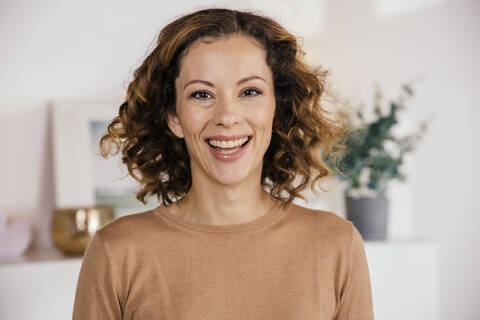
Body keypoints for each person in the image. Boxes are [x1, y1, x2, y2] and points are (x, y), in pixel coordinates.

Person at [72, 8, 374, 320]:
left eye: (250, 92)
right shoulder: (116, 252)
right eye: (202, 94)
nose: (227, 117)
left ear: (276, 107)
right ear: (173, 116)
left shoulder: (337, 245)